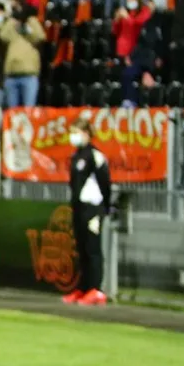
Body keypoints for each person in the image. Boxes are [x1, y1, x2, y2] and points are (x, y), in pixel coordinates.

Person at [64, 118, 111, 306]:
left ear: (86, 133)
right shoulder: (76, 156)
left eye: (75, 132)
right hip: (79, 208)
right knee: (81, 249)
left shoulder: (95, 155)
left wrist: (105, 207)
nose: (72, 136)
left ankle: (96, 289)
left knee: (93, 249)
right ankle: (82, 288)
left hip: (93, 208)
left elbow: (105, 183)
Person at [0, 4, 45, 108]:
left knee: (29, 110)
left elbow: (40, 36)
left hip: (29, 75)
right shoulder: (13, 33)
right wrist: (12, 20)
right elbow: (2, 36)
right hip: (11, 76)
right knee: (12, 111)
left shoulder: (31, 27)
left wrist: (29, 23)